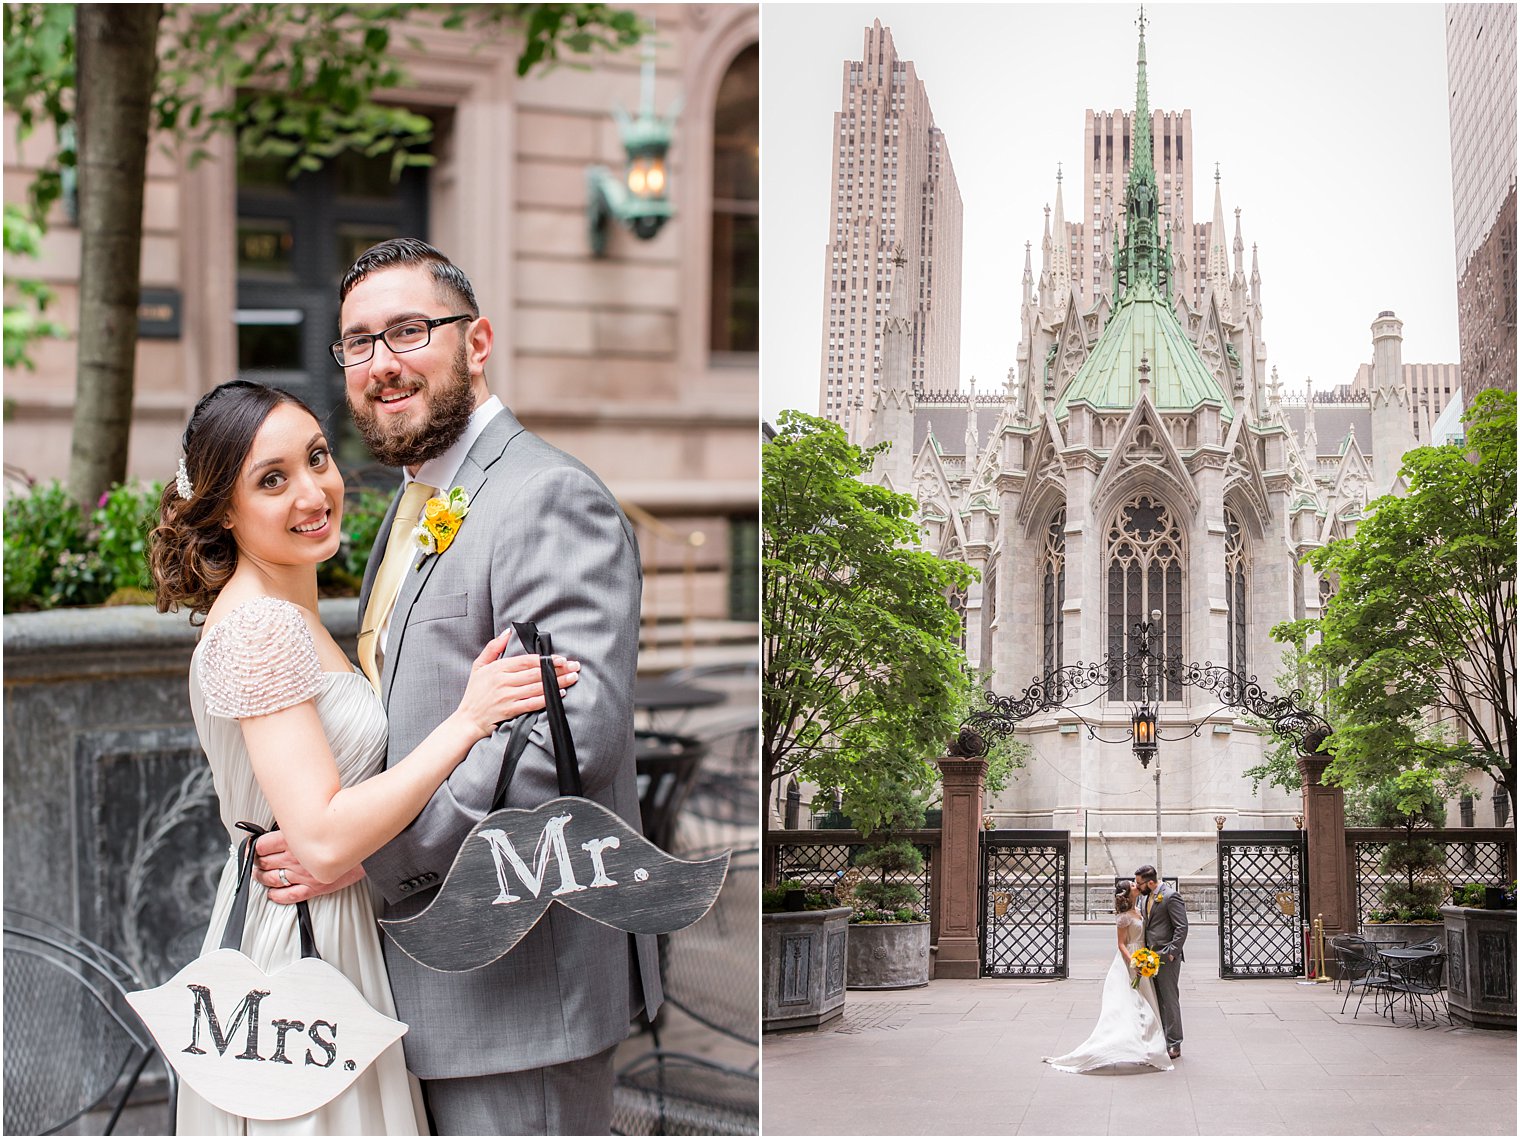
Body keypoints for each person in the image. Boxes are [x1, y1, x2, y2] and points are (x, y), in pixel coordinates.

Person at [249, 238, 662, 1135]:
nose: (381, 365)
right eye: (358, 343)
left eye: (407, 331)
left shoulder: (545, 495)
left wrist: (370, 853)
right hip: (417, 981)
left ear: (476, 343)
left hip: (517, 997)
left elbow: (565, 739)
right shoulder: (416, 499)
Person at [149, 379, 578, 1134]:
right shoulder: (258, 628)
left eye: (317, 457)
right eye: (272, 479)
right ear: (222, 508)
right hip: (302, 945)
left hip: (338, 920)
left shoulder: (289, 610)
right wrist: (469, 720)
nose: (314, 492)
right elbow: (319, 837)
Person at [1042, 882, 1172, 1074]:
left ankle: (1147, 1047)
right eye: (1134, 885)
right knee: (1134, 1004)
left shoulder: (1138, 908)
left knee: (1145, 1002)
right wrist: (1134, 963)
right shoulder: (1123, 917)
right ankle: (1141, 1046)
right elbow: (1121, 944)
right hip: (1130, 960)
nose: (1137, 885)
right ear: (1128, 893)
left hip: (1142, 956)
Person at [1135, 863, 1187, 1058]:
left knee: (1169, 999)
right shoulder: (1145, 898)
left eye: (1139, 883)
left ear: (1150, 882)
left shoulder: (1170, 896)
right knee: (1157, 1000)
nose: (1136, 886)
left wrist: (1172, 951)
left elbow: (1181, 926)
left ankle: (1175, 1043)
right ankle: (1161, 1039)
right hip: (1149, 956)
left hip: (1166, 957)